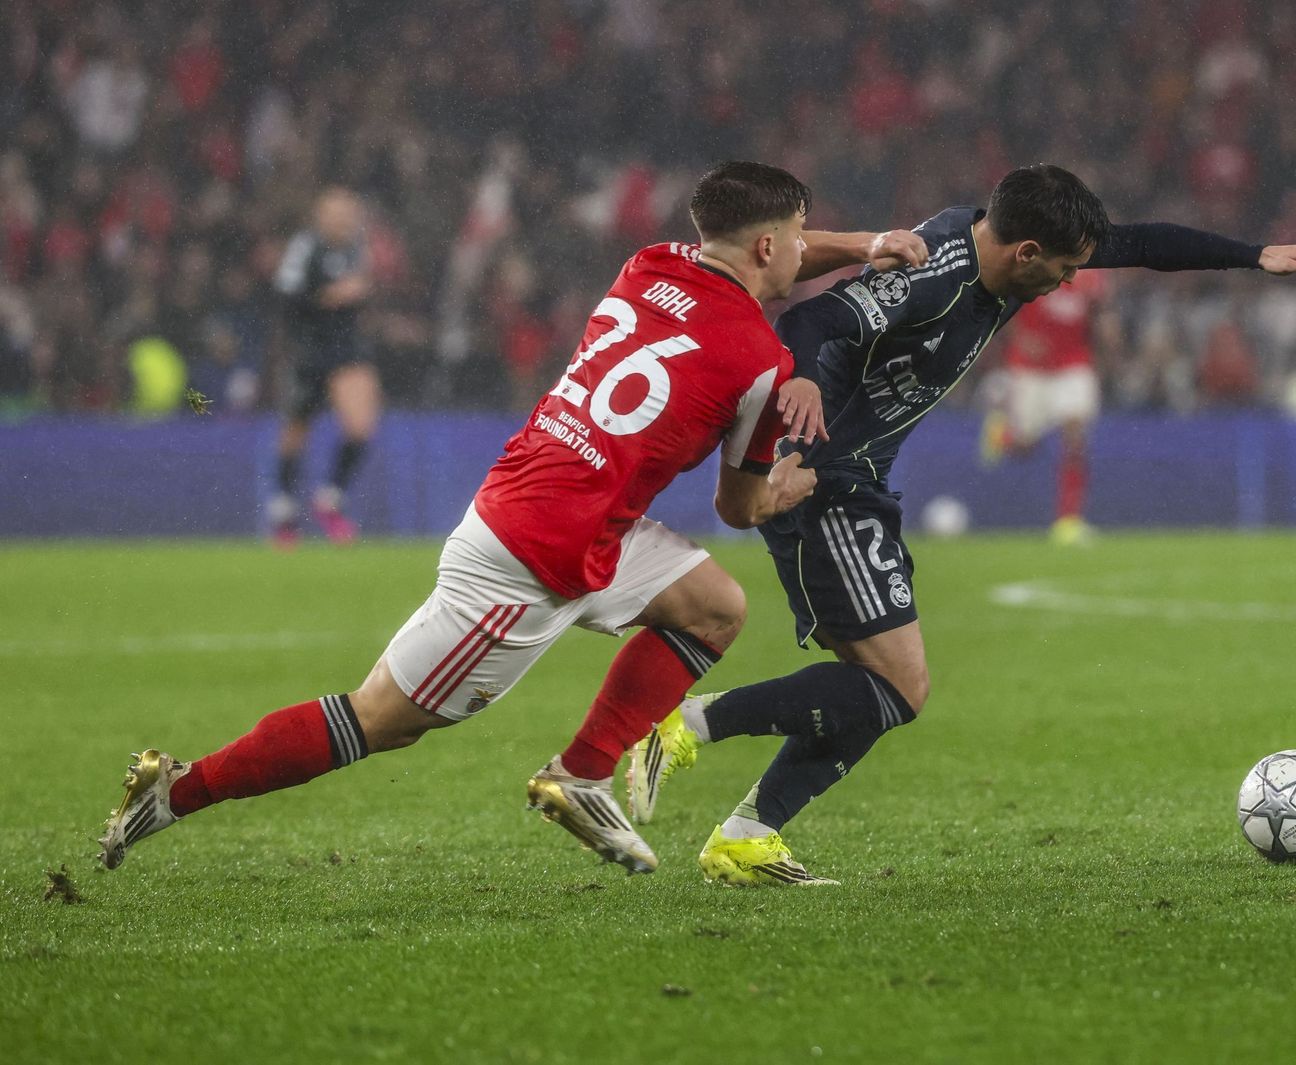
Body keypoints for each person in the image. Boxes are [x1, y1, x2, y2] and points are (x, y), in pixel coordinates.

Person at [98, 161, 927, 876]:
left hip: (568, 510)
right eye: (801, 232)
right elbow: (736, 506)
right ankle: (177, 788)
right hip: (527, 558)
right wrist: (786, 488)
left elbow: (765, 253)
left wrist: (859, 246)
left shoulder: (652, 262)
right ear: (771, 246)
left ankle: (581, 774)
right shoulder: (763, 365)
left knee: (714, 607)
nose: (805, 244)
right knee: (379, 718)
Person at [628, 164, 1296, 886]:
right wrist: (807, 379)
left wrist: (1254, 256)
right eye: (1064, 271)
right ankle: (684, 727)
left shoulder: (1011, 247)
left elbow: (1134, 243)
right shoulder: (935, 278)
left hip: (859, 483)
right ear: (1025, 254)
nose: (1068, 283)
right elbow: (813, 316)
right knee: (896, 685)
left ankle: (745, 832)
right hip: (823, 483)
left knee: (885, 686)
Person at [269, 187, 379, 547]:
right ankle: (284, 512)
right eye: (336, 213)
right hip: (309, 350)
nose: (344, 220)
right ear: (320, 216)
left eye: (348, 213)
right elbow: (285, 296)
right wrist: (328, 297)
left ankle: (330, 499)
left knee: (361, 426)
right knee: (297, 429)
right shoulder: (305, 247)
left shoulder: (356, 249)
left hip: (347, 349)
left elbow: (363, 291)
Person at [979, 267, 1120, 546]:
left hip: (1073, 364)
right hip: (1030, 367)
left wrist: (1109, 339)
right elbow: (1006, 302)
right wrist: (1020, 337)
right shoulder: (1039, 267)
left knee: (1075, 433)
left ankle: (1067, 521)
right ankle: (1002, 436)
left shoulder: (1092, 278)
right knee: (1025, 445)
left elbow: (1100, 315)